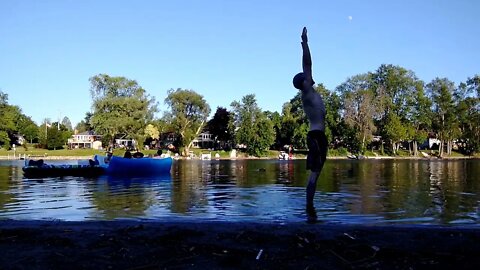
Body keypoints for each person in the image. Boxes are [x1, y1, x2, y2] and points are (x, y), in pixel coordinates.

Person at [293, 27, 328, 222]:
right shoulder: (307, 93)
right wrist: (305, 44)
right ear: (304, 83)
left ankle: (310, 207)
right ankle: (309, 208)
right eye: (307, 77)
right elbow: (308, 64)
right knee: (314, 174)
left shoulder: (310, 93)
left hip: (318, 137)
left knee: (317, 172)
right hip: (315, 137)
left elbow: (308, 69)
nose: (310, 76)